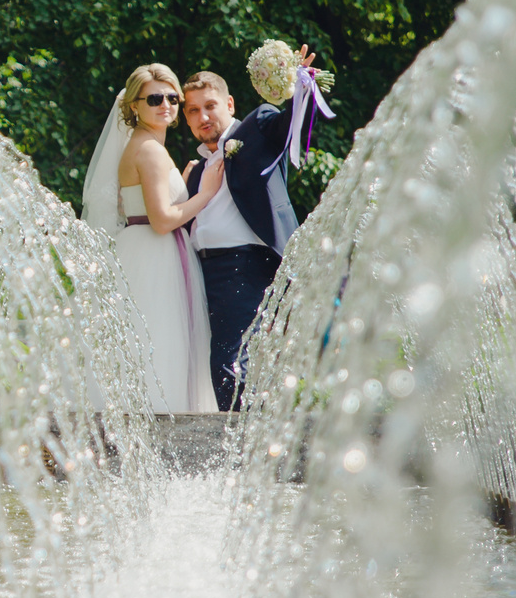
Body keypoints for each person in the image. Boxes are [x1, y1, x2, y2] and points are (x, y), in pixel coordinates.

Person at [179, 44, 332, 407]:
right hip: (201, 275)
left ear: (229, 104)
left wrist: (301, 86)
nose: (203, 117)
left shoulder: (257, 126)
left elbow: (287, 124)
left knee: (227, 365)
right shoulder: (194, 171)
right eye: (193, 111)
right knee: (217, 365)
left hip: (244, 267)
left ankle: (239, 451)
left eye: (210, 106)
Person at [82, 64, 223, 412]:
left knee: (146, 347)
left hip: (143, 248)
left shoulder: (142, 146)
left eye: (173, 98)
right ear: (134, 106)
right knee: (161, 347)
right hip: (155, 253)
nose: (167, 105)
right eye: (155, 98)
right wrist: (204, 193)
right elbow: (162, 221)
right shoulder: (149, 150)